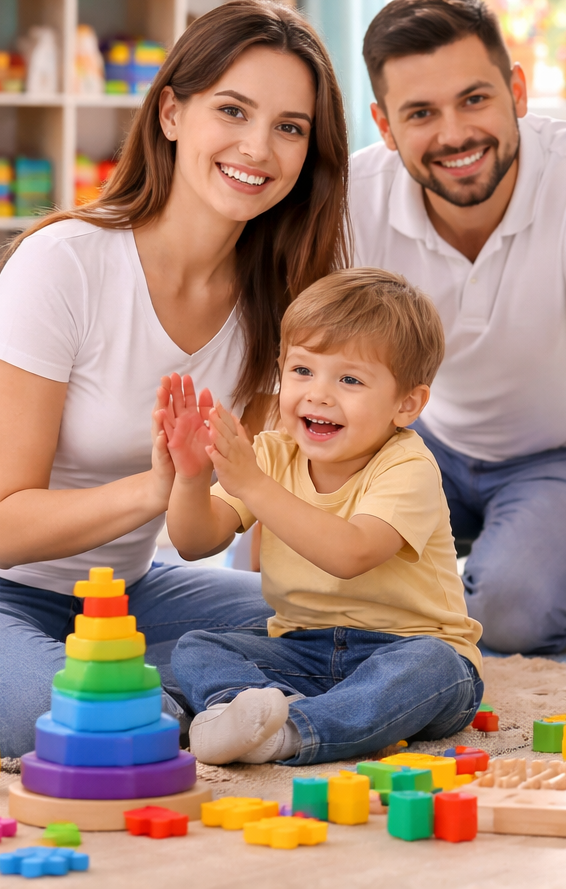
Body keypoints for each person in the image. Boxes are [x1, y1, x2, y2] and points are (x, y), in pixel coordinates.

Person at [0, 0, 351, 755]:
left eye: (290, 127)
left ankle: (211, 702)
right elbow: (1, 528)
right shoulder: (65, 262)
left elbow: (216, 523)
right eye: (233, 110)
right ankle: (200, 704)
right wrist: (159, 487)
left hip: (120, 599)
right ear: (171, 114)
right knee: (109, 725)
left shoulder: (275, 306)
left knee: (355, 629)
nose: (258, 147)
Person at [347, 0, 566, 672]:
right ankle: (437, 570)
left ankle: (468, 570)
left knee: (513, 611)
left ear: (517, 91)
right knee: (307, 577)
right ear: (385, 127)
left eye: (474, 100)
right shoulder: (352, 198)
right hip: (416, 444)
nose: (453, 134)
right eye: (421, 113)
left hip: (563, 456)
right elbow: (300, 383)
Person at [166, 269, 482, 765]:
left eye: (350, 379)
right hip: (304, 651)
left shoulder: (408, 466)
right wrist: (188, 478)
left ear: (407, 403)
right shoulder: (272, 455)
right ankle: (243, 712)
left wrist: (252, 485)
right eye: (302, 371)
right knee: (198, 646)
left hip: (404, 649)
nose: (318, 394)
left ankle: (292, 732)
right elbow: (194, 542)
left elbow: (349, 553)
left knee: (435, 667)